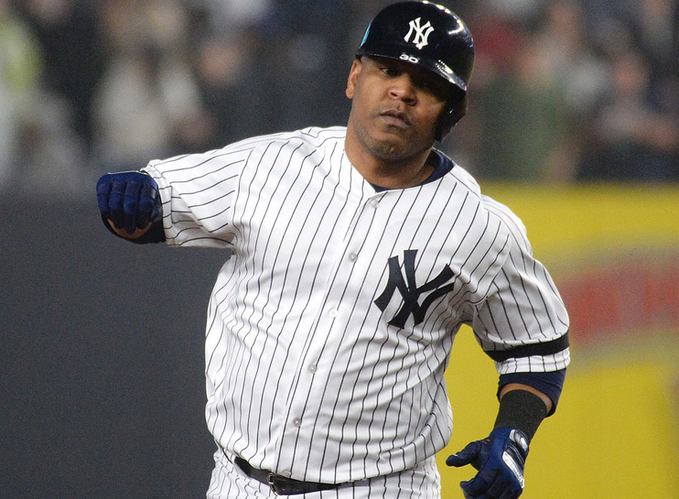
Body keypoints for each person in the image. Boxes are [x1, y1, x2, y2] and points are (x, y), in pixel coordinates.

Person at [96, 2, 570, 498]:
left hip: (379, 488)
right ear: (354, 77)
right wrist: (131, 198)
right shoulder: (270, 165)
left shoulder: (480, 227)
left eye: (426, 84)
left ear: (451, 112)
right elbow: (153, 201)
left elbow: (537, 348)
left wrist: (514, 435)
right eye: (387, 69)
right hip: (238, 481)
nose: (401, 91)